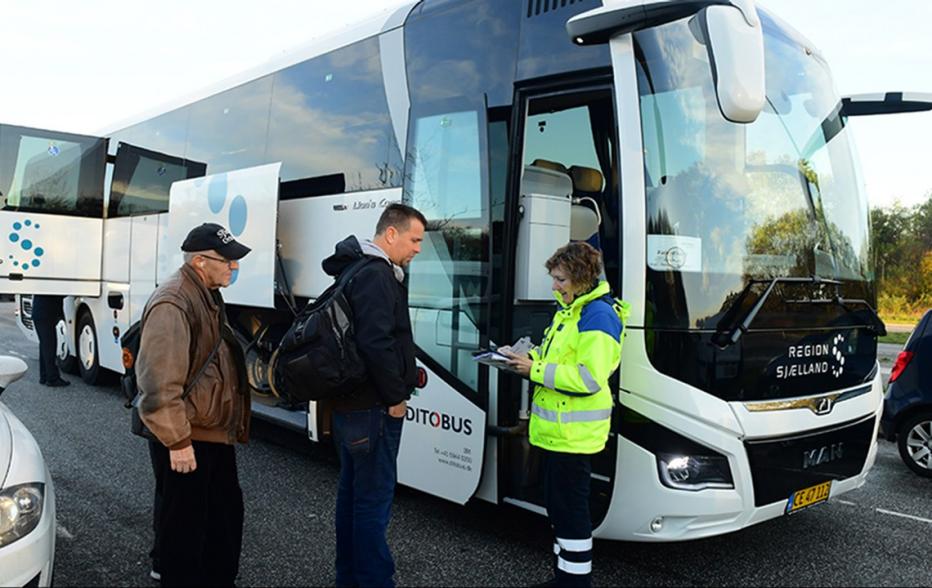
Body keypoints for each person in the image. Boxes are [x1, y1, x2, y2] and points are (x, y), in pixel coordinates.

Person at [502, 242, 628, 588]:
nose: (554, 286)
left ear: (581, 278)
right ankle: (565, 578)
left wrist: (535, 370)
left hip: (575, 439)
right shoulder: (570, 311)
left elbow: (588, 378)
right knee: (560, 510)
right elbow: (557, 357)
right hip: (559, 434)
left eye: (560, 279)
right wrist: (521, 357)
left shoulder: (598, 316)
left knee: (571, 514)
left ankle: (575, 583)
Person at [136, 222, 252, 587]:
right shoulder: (175, 300)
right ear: (201, 261)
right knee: (185, 529)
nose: (234, 267)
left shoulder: (205, 293)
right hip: (188, 434)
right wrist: (178, 441)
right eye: (227, 260)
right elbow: (159, 380)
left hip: (207, 431)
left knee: (221, 517)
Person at [320, 202, 426, 588]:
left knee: (352, 497)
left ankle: (348, 578)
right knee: (372, 504)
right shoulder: (379, 275)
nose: (417, 249)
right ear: (391, 233)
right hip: (373, 409)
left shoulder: (355, 268)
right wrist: (396, 397)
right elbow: (376, 342)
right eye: (414, 240)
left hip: (351, 407)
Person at [31, 294, 69, 387]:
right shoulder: (51, 288)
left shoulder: (44, 287)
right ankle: (52, 378)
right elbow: (58, 296)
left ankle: (44, 376)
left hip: (40, 314)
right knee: (50, 347)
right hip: (46, 315)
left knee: (44, 346)